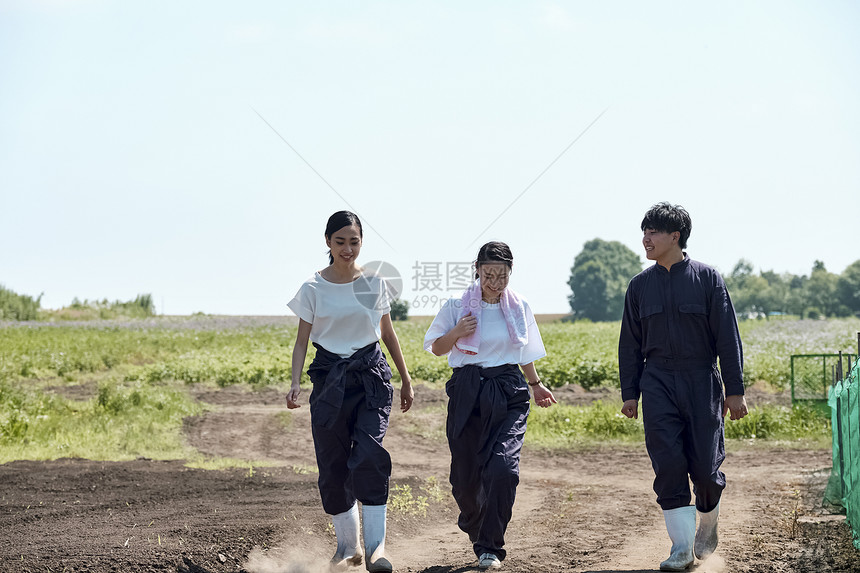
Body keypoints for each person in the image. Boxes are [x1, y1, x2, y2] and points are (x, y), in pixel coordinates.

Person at [618, 202, 749, 572]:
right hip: (656, 379)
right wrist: (631, 393)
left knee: (706, 469)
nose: (645, 239)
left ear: (675, 237)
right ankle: (680, 548)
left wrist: (734, 390)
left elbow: (728, 337)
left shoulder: (708, 279)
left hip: (700, 379)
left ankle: (707, 524)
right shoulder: (639, 286)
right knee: (668, 462)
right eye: (644, 232)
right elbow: (629, 343)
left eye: (653, 232)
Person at [287, 210, 414, 573]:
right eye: (340, 241)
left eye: (354, 242)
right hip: (329, 380)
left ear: (362, 243)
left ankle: (376, 549)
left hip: (371, 376)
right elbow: (301, 343)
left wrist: (405, 378)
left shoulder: (374, 283)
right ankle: (347, 547)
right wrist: (295, 381)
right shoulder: (312, 288)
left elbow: (388, 333)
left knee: (369, 453)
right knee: (332, 465)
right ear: (328, 242)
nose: (347, 248)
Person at [423, 241, 557, 570]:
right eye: (488, 275)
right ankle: (477, 525)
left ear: (511, 273)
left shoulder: (519, 305)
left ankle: (491, 547)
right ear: (478, 271)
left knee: (503, 470)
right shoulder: (457, 305)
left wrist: (536, 385)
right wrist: (456, 332)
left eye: (502, 276)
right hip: (468, 391)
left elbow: (523, 351)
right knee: (465, 481)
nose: (495, 283)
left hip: (509, 390)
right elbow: (437, 348)